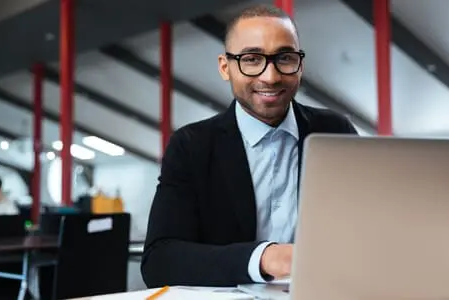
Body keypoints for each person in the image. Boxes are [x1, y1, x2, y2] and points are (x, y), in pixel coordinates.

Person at [141, 4, 358, 288]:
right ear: (224, 67)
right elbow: (160, 260)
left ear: (300, 65)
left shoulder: (335, 132)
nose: (271, 76)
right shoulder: (192, 146)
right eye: (252, 59)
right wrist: (264, 258)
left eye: (285, 58)